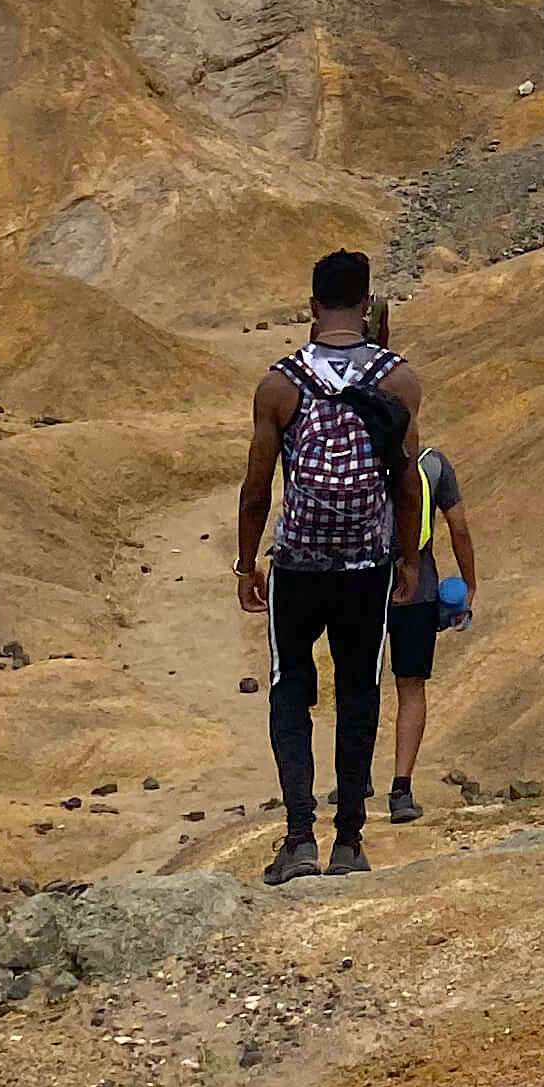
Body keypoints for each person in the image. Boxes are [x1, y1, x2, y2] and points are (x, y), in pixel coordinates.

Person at [237, 248, 419, 881]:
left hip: (298, 565)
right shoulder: (397, 381)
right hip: (366, 564)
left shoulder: (280, 385)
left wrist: (244, 564)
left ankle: (297, 839)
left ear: (311, 306)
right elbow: (406, 483)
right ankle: (349, 841)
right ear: (367, 305)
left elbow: (258, 487)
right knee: (360, 693)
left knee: (291, 690)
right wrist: (407, 559)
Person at [383, 417, 478, 827]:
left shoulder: (359, 461)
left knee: (358, 685)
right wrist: (469, 584)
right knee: (411, 687)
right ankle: (401, 790)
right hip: (417, 587)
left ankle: (351, 782)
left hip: (360, 585)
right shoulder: (433, 466)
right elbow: (458, 527)